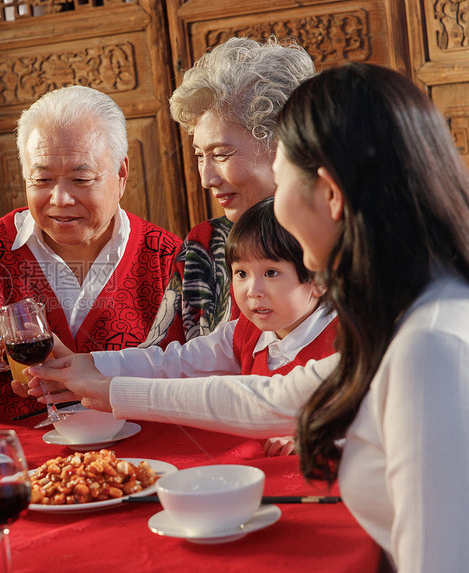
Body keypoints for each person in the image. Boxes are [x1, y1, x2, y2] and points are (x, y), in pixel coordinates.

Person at [29, 63, 469, 571]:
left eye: (280, 184)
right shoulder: (412, 311)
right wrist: (103, 382)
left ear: (329, 194)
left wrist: (106, 386)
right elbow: (277, 396)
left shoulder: (429, 345)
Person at [0, 85, 183, 416]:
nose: (60, 199)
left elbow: (195, 379)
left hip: (145, 455)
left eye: (80, 180)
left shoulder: (166, 258)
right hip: (19, 458)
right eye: (42, 181)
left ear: (121, 174)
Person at [41, 196, 337, 456]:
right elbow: (175, 363)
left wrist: (328, 441)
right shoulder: (245, 332)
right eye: (241, 273)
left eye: (271, 272)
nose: (252, 290)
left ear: (319, 280)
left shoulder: (347, 341)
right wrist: (90, 365)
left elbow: (372, 424)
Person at [141, 36, 315, 347]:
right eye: (199, 156)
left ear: (280, 146)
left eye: (221, 154)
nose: (207, 179)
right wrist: (80, 371)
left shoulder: (336, 240)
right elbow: (163, 360)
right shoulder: (203, 246)